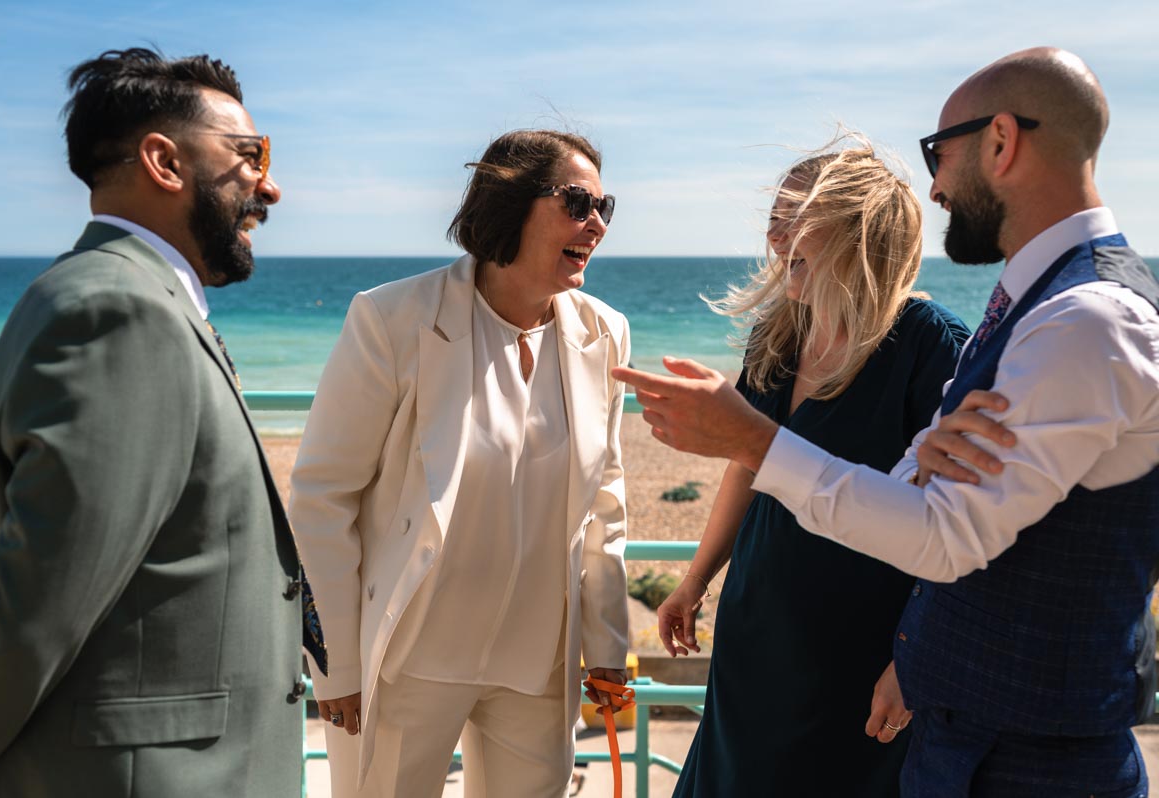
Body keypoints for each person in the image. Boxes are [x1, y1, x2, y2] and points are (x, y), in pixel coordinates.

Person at [614, 47, 1159, 797]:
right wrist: (705, 568)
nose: (931, 186)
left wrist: (751, 438)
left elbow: (944, 536)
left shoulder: (1083, 320)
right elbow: (926, 494)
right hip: (944, 725)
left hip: (1022, 748)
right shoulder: (1034, 310)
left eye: (941, 152)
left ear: (1001, 141)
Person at [0, 48, 310, 797]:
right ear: (164, 161)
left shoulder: (101, 294)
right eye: (250, 155)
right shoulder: (121, 312)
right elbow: (33, 618)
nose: (269, 185)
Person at [288, 129, 630, 798]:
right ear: (509, 203)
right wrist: (334, 667)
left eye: (605, 206)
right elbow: (321, 498)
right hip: (408, 662)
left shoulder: (604, 332)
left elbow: (604, 503)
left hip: (539, 668)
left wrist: (608, 650)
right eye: (577, 201)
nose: (596, 224)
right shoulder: (390, 319)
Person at [658, 143, 968, 797]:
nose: (774, 236)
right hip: (755, 631)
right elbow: (750, 462)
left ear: (863, 226)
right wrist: (696, 579)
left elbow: (961, 523)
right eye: (773, 218)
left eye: (795, 216)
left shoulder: (931, 344)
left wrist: (916, 660)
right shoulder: (778, 333)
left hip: (860, 650)